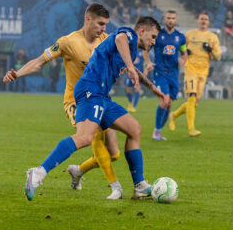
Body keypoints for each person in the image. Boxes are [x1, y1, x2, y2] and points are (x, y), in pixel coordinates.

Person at [22, 16, 169, 201]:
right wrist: (131, 67)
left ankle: (139, 186)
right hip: (90, 89)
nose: (154, 42)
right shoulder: (127, 34)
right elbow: (119, 39)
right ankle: (38, 173)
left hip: (103, 96)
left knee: (134, 129)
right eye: (153, 36)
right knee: (84, 137)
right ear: (141, 31)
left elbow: (133, 69)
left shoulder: (130, 52)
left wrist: (154, 89)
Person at [3, 4, 124, 200]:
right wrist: (18, 74)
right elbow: (39, 61)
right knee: (93, 136)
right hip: (77, 101)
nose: (103, 28)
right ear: (88, 19)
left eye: (105, 25)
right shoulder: (68, 42)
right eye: (100, 24)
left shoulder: (105, 41)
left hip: (100, 98)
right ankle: (114, 188)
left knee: (114, 154)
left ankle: (77, 171)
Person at [169, 13, 221, 137]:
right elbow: (180, 49)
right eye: (202, 19)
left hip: (203, 73)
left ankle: (174, 115)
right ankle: (191, 128)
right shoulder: (189, 35)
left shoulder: (213, 37)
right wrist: (185, 51)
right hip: (190, 70)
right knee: (191, 97)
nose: (203, 21)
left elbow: (218, 57)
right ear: (198, 20)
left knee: (195, 103)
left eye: (206, 19)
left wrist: (210, 50)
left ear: (208, 22)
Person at [143, 10, 187, 140]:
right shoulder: (157, 35)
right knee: (164, 100)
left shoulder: (180, 37)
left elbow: (184, 54)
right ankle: (156, 131)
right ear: (164, 19)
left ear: (176, 20)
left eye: (173, 18)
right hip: (159, 72)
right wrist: (148, 63)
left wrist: (182, 60)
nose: (170, 20)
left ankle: (159, 131)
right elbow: (145, 49)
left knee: (169, 104)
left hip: (173, 74)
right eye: (168, 18)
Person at [125, 48, 145, 113]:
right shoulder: (130, 49)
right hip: (131, 73)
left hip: (139, 73)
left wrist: (145, 71)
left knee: (137, 89)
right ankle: (130, 104)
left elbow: (145, 62)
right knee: (128, 90)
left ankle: (133, 106)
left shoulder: (143, 51)